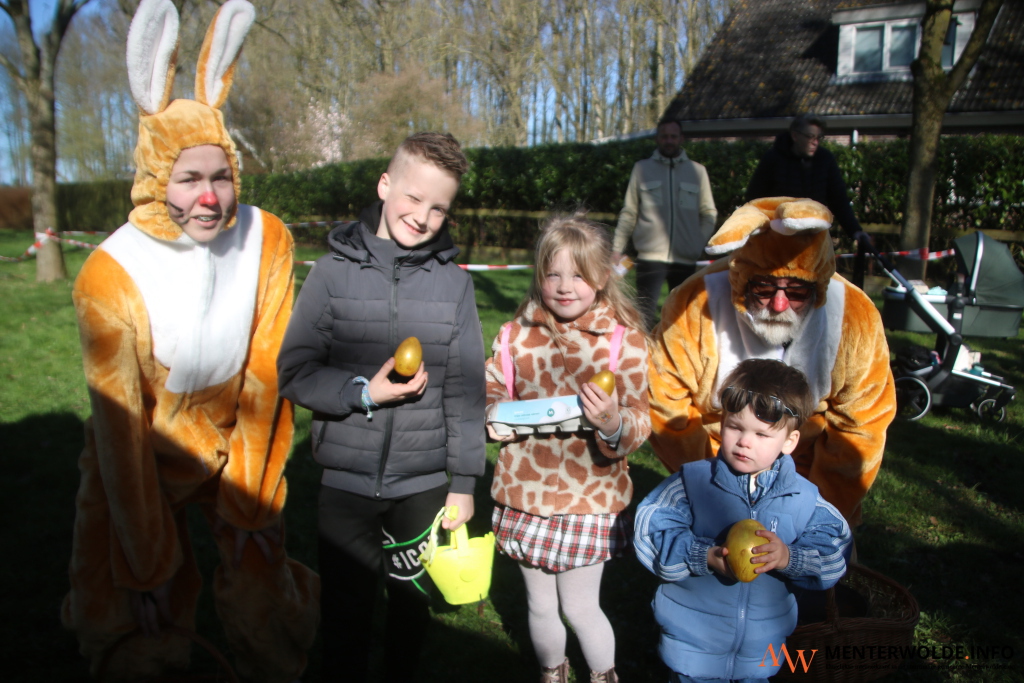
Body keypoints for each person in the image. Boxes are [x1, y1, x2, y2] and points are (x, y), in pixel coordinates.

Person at [61, 2, 319, 681]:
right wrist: (143, 565)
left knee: (264, 585)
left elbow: (271, 373)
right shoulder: (108, 274)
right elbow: (119, 430)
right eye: (188, 178)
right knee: (131, 618)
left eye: (220, 176)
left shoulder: (268, 239)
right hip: (144, 447)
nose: (209, 197)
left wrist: (250, 502)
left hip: (232, 431)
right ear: (155, 178)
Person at [277, 131, 486, 682]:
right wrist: (362, 392)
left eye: (438, 208)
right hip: (344, 486)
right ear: (385, 183)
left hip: (421, 488)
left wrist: (463, 481)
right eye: (413, 198)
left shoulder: (454, 287)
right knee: (344, 616)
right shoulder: (330, 274)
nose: (422, 217)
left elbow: (467, 386)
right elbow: (295, 374)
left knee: (410, 612)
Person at [648, 197, 895, 527]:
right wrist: (708, 488)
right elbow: (665, 401)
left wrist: (819, 512)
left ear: (818, 286)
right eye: (763, 288)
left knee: (815, 564)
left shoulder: (853, 316)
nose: (779, 305)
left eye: (796, 291)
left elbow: (863, 425)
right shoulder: (695, 302)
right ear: (741, 279)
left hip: (807, 462)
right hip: (718, 455)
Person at [485, 215, 652, 683]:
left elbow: (642, 417)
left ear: (601, 277)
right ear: (538, 274)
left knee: (580, 606)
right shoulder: (514, 335)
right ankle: (551, 672)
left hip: (590, 499)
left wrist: (615, 422)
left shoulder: (625, 343)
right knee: (539, 604)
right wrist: (492, 414)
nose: (564, 286)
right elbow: (491, 386)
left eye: (578, 274)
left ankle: (603, 675)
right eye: (552, 273)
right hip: (526, 494)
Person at [635, 359, 852, 682]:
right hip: (693, 649)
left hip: (762, 655)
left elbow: (835, 551)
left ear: (790, 442)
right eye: (735, 426)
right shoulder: (692, 483)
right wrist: (702, 555)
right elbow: (650, 531)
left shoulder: (804, 499)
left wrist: (789, 558)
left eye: (762, 434)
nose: (744, 441)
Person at [613, 118, 718, 330]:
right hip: (650, 258)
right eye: (664, 136)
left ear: (681, 138)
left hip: (686, 259)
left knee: (685, 318)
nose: (668, 140)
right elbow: (629, 212)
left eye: (673, 136)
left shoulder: (698, 172)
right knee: (642, 317)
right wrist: (616, 249)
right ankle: (641, 358)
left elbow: (709, 213)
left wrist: (698, 243)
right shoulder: (641, 169)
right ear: (657, 139)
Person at [745, 113, 869, 244]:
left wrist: (855, 230)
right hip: (779, 237)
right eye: (810, 137)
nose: (815, 142)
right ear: (795, 136)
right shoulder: (773, 159)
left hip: (814, 236)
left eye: (818, 137)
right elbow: (754, 199)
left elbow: (839, 199)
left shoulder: (825, 160)